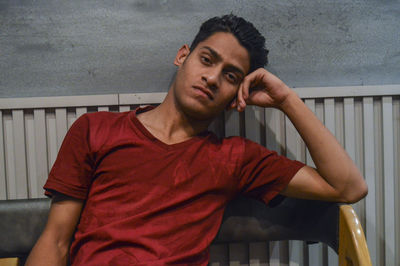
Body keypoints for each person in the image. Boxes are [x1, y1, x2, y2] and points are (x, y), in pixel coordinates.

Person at [25, 14, 367, 266]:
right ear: (182, 56)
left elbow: (348, 188)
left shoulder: (235, 158)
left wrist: (286, 100)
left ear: (238, 93)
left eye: (231, 76)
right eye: (207, 59)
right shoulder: (94, 130)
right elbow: (55, 241)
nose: (212, 78)